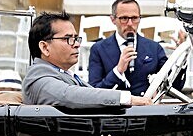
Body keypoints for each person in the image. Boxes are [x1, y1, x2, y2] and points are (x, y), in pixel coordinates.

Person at [23, 11, 153, 108]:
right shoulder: (38, 78)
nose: (76, 44)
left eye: (76, 38)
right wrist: (128, 99)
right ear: (45, 47)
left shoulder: (62, 74)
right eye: (68, 39)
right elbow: (69, 96)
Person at [88, 0, 182, 95]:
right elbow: (94, 92)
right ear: (113, 20)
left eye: (134, 18)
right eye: (124, 18)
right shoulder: (99, 49)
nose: (130, 23)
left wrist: (179, 58)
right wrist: (118, 71)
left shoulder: (154, 48)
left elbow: (175, 87)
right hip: (113, 109)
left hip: (144, 108)